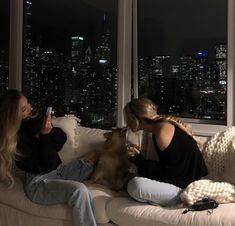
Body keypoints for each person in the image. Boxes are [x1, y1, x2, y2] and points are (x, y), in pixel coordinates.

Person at [0, 89, 97, 226]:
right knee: (79, 190)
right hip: (38, 183)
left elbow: (61, 138)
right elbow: (46, 164)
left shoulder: (32, 123)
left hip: (58, 172)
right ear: (13, 115)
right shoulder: (15, 141)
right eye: (24, 109)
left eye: (28, 104)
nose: (30, 108)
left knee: (94, 156)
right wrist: (44, 136)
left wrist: (44, 132)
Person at [124, 97, 208, 206]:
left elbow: (170, 174)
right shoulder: (161, 127)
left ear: (137, 119)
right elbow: (168, 167)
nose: (126, 122)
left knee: (134, 185)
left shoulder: (162, 132)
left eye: (127, 118)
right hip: (181, 182)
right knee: (133, 180)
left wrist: (138, 160)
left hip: (187, 189)